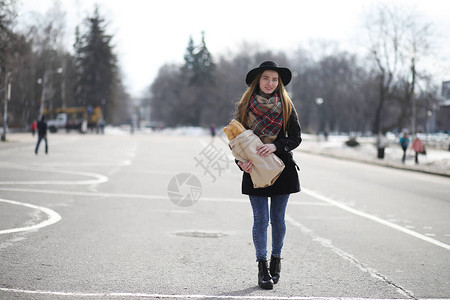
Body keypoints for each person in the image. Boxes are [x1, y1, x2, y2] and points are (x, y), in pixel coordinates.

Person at [235, 61, 302, 290]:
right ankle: (262, 267)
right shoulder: (245, 106)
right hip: (254, 169)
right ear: (258, 80)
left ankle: (276, 260)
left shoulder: (286, 105)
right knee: (260, 220)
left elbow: (296, 137)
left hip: (281, 168)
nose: (270, 83)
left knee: (278, 220)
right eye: (266, 78)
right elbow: (237, 142)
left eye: (274, 79)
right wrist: (240, 162)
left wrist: (276, 147)